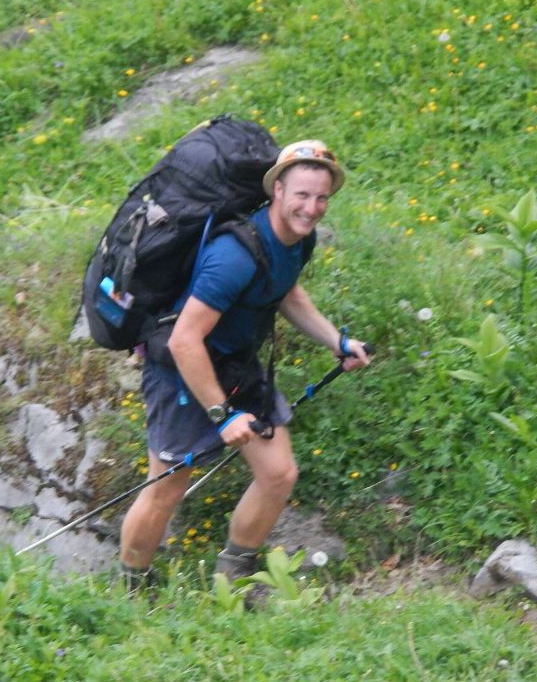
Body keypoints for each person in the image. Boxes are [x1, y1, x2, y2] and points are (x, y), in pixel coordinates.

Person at [118, 140, 372, 590]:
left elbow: (288, 294)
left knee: (278, 474)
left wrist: (338, 340)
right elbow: (184, 340)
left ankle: (233, 579)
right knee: (167, 488)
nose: (312, 208)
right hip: (181, 372)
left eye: (321, 197)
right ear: (277, 191)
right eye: (302, 195)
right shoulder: (233, 256)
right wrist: (222, 415)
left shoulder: (297, 240)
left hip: (236, 367)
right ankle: (132, 588)